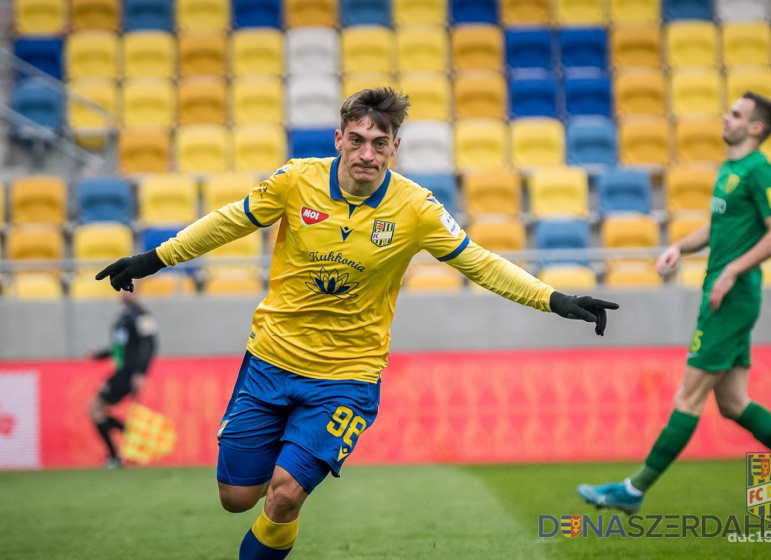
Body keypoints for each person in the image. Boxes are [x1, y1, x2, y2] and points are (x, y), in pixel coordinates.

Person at [96, 88, 620, 559]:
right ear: (339, 140)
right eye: (357, 140)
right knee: (236, 498)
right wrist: (152, 260)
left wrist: (554, 299)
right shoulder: (296, 181)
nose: (367, 153)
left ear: (395, 148)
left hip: (347, 377)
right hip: (270, 361)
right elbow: (228, 221)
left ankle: (281, 509)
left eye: (379, 143)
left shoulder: (416, 208)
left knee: (283, 495)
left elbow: (479, 262)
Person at [577, 92, 771, 523]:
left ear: (755, 127)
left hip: (731, 297)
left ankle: (633, 490)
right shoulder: (731, 169)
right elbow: (719, 226)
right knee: (733, 402)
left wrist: (731, 271)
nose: (726, 117)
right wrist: (680, 246)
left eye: (736, 114)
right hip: (724, 294)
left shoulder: (760, 171)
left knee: (688, 396)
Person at [88, 288, 158, 468]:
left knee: (95, 408)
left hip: (129, 373)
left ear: (138, 292)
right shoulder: (123, 316)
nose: (127, 293)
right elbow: (120, 347)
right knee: (97, 410)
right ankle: (127, 439)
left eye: (131, 289)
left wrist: (141, 372)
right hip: (121, 371)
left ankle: (116, 454)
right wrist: (100, 355)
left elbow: (150, 344)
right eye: (125, 289)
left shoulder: (142, 316)